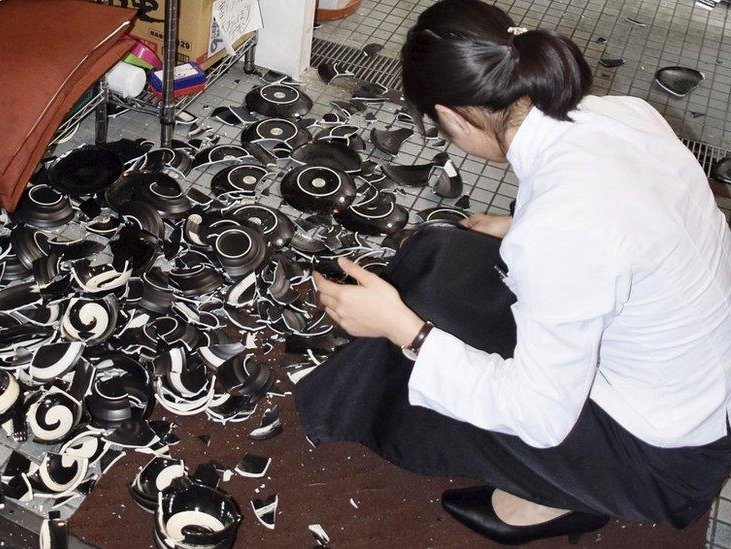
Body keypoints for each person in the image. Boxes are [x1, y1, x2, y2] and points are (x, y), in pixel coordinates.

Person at [295, 0, 731, 544]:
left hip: (661, 457)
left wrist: (405, 330)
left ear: (453, 117)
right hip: (694, 378)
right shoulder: (622, 113)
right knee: (440, 256)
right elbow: (636, 216)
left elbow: (539, 415)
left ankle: (571, 492)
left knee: (411, 352)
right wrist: (519, 222)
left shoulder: (563, 234)